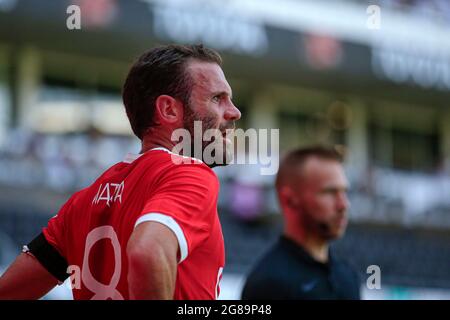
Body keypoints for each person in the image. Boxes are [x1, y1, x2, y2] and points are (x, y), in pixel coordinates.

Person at [0, 44, 241, 300]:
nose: (234, 112)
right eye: (217, 98)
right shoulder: (190, 174)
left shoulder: (83, 202)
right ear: (169, 110)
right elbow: (146, 252)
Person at [241, 146, 360, 300]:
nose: (343, 204)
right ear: (289, 199)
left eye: (344, 192)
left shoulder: (348, 276)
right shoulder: (267, 284)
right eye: (329, 192)